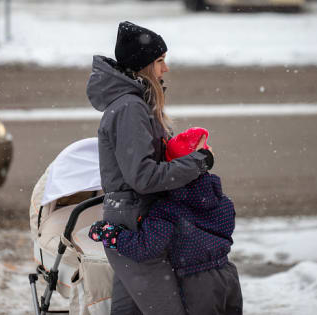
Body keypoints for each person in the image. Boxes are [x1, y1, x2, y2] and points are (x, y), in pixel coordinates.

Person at [86, 21, 214, 315]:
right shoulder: (130, 108)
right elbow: (142, 177)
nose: (165, 69)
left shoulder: (133, 104)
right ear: (143, 66)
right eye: (159, 61)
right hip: (136, 227)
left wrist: (179, 151)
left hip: (132, 222)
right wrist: (199, 162)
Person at [89, 127, 243, 315]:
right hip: (226, 276)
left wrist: (113, 235)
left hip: (196, 284)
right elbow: (225, 227)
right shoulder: (223, 201)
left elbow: (147, 247)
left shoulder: (167, 209)